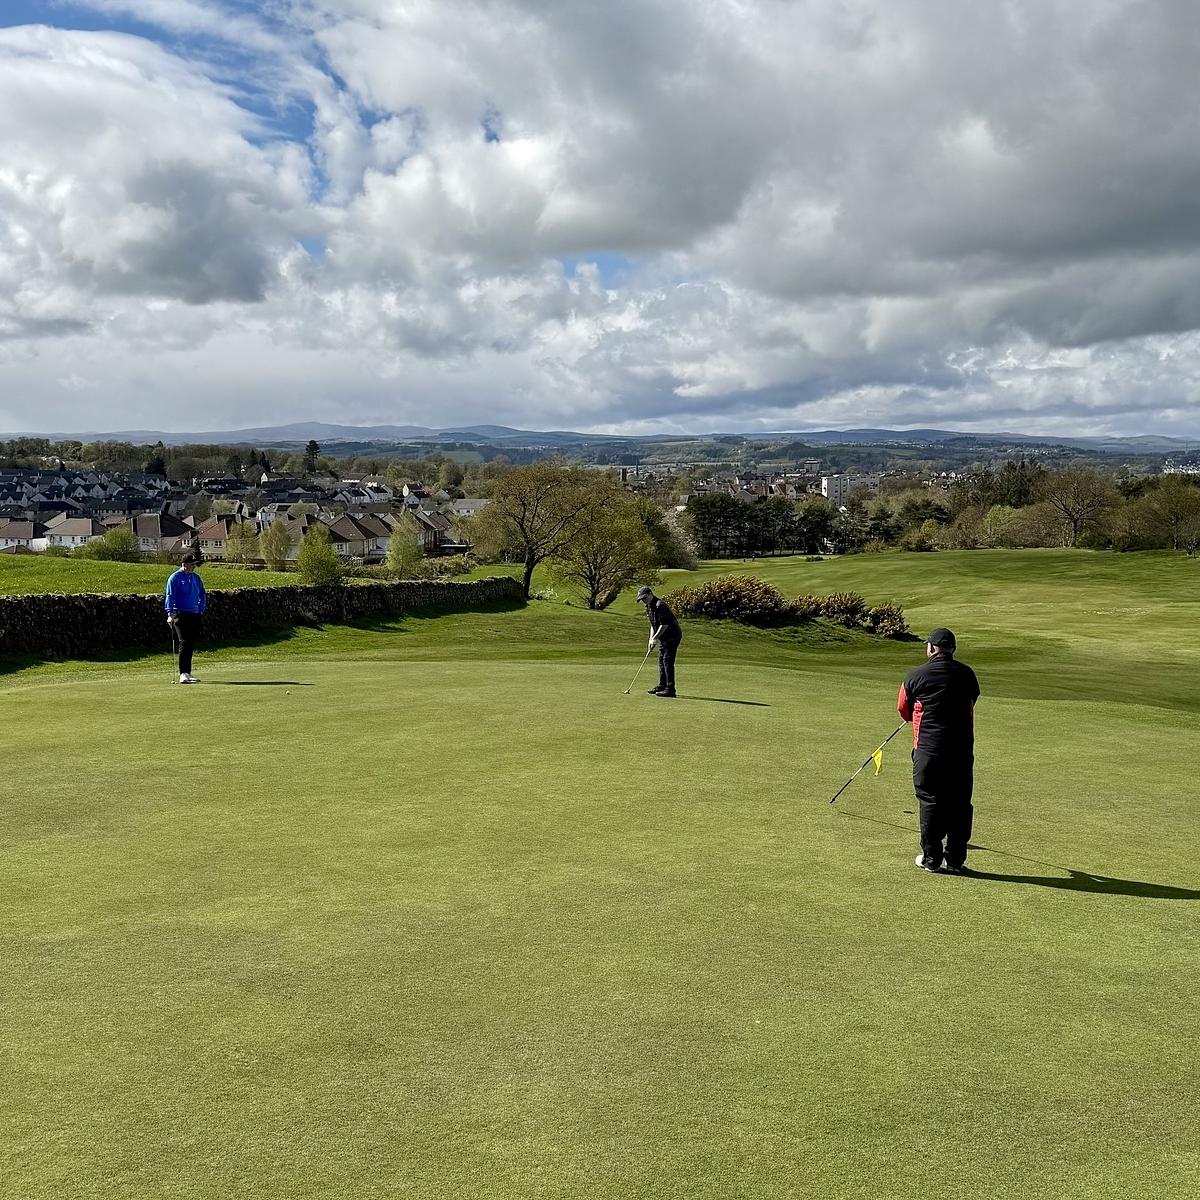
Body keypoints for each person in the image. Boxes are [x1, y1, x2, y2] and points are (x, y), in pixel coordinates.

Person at [897, 628, 980, 874]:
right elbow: (971, 702)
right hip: (961, 751)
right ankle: (955, 860)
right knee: (959, 803)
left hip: (927, 750)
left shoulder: (916, 675)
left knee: (931, 801)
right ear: (952, 649)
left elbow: (903, 709)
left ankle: (931, 859)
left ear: (932, 648)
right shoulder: (968, 675)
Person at [165, 551, 207, 683]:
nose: (194, 566)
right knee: (184, 641)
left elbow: (202, 594)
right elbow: (170, 596)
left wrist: (200, 609)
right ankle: (183, 673)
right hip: (179, 614)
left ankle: (187, 673)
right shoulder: (175, 577)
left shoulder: (196, 578)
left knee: (189, 643)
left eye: (194, 564)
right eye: (191, 564)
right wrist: (170, 614)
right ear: (184, 564)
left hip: (194, 613)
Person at [635, 585, 681, 698]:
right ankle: (662, 685)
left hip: (672, 636)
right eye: (642, 599)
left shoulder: (660, 605)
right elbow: (653, 625)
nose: (644, 600)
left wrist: (655, 638)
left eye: (645, 597)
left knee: (667, 661)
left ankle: (670, 689)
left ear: (651, 594)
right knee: (661, 661)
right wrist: (651, 639)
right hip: (663, 637)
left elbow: (664, 625)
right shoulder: (649, 606)